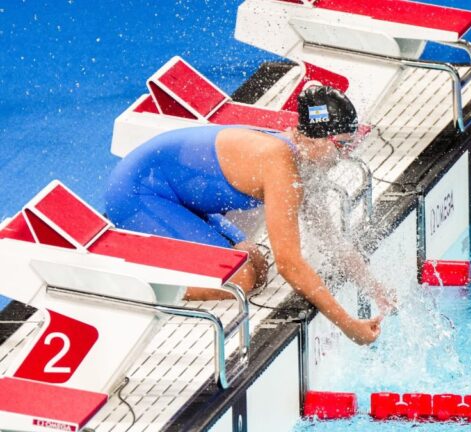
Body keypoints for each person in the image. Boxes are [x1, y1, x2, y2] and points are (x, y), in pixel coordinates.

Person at [105, 85, 394, 345]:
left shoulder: (305, 159)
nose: (345, 155)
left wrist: (376, 290)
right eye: (342, 145)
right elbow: (290, 265)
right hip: (138, 193)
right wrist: (348, 325)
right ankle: (124, 281)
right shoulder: (281, 165)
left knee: (255, 263)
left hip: (179, 198)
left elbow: (332, 240)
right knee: (238, 281)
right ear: (318, 139)